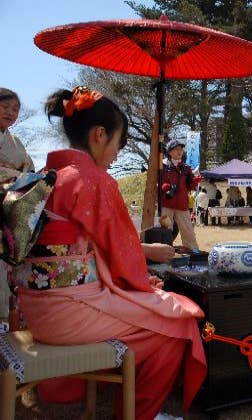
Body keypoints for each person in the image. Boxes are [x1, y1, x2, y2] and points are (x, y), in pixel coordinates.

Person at [15, 86, 206, 419]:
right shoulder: (93, 180)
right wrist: (145, 278)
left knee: (161, 310)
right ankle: (138, 414)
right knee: (178, 325)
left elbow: (92, 246)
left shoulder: (48, 176)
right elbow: (122, 257)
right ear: (100, 135)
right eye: (119, 143)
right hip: (69, 313)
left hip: (36, 307)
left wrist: (141, 257)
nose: (118, 153)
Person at [0, 88, 36, 320]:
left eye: (15, 110)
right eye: (5, 107)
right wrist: (13, 174)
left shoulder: (16, 142)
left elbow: (30, 171)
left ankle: (4, 319)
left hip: (7, 209)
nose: (11, 113)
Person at [161, 138, 201, 249]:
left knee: (188, 230)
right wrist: (163, 187)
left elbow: (188, 187)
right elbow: (155, 182)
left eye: (181, 149)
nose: (180, 151)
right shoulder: (162, 166)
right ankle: (164, 253)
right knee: (165, 230)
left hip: (182, 204)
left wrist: (195, 181)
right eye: (176, 149)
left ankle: (193, 253)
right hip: (166, 203)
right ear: (169, 152)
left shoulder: (186, 168)